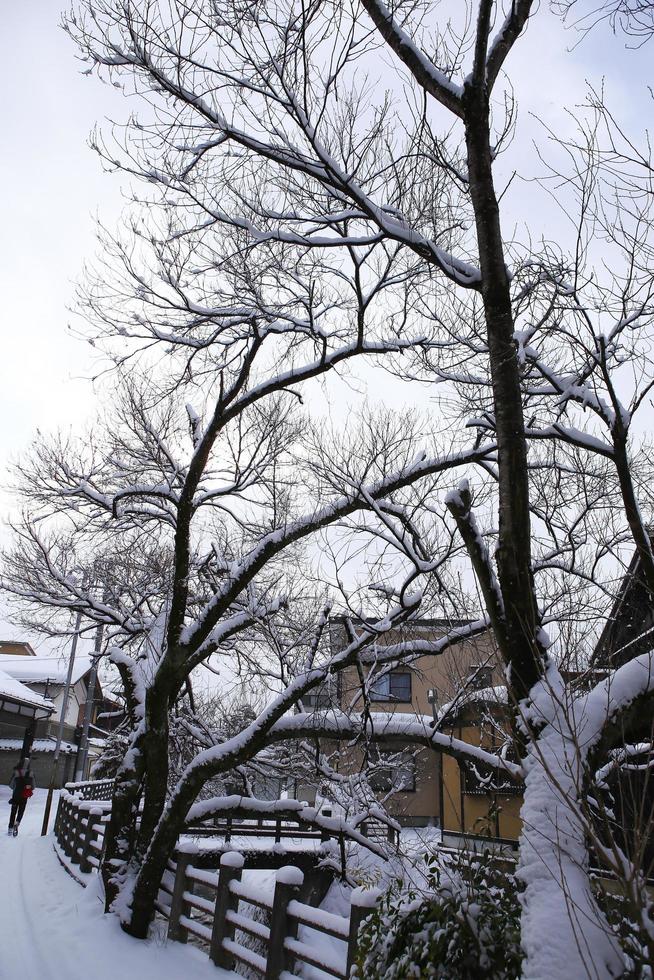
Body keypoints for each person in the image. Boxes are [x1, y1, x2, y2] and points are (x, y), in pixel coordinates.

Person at [8, 758, 35, 836]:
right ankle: (17, 823)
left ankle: (10, 828)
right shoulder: (31, 773)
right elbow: (33, 787)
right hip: (24, 796)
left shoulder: (16, 772)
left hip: (15, 796)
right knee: (21, 811)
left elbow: (11, 785)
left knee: (13, 812)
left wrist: (17, 788)